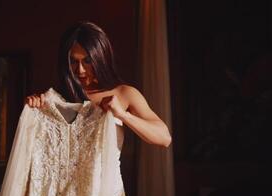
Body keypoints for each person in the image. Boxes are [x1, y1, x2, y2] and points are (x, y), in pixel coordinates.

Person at [26, 21, 171, 147]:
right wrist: (34, 106)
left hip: (105, 179)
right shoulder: (57, 97)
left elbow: (165, 138)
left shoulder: (124, 94)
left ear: (100, 57)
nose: (80, 70)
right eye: (73, 61)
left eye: (87, 61)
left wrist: (123, 115)